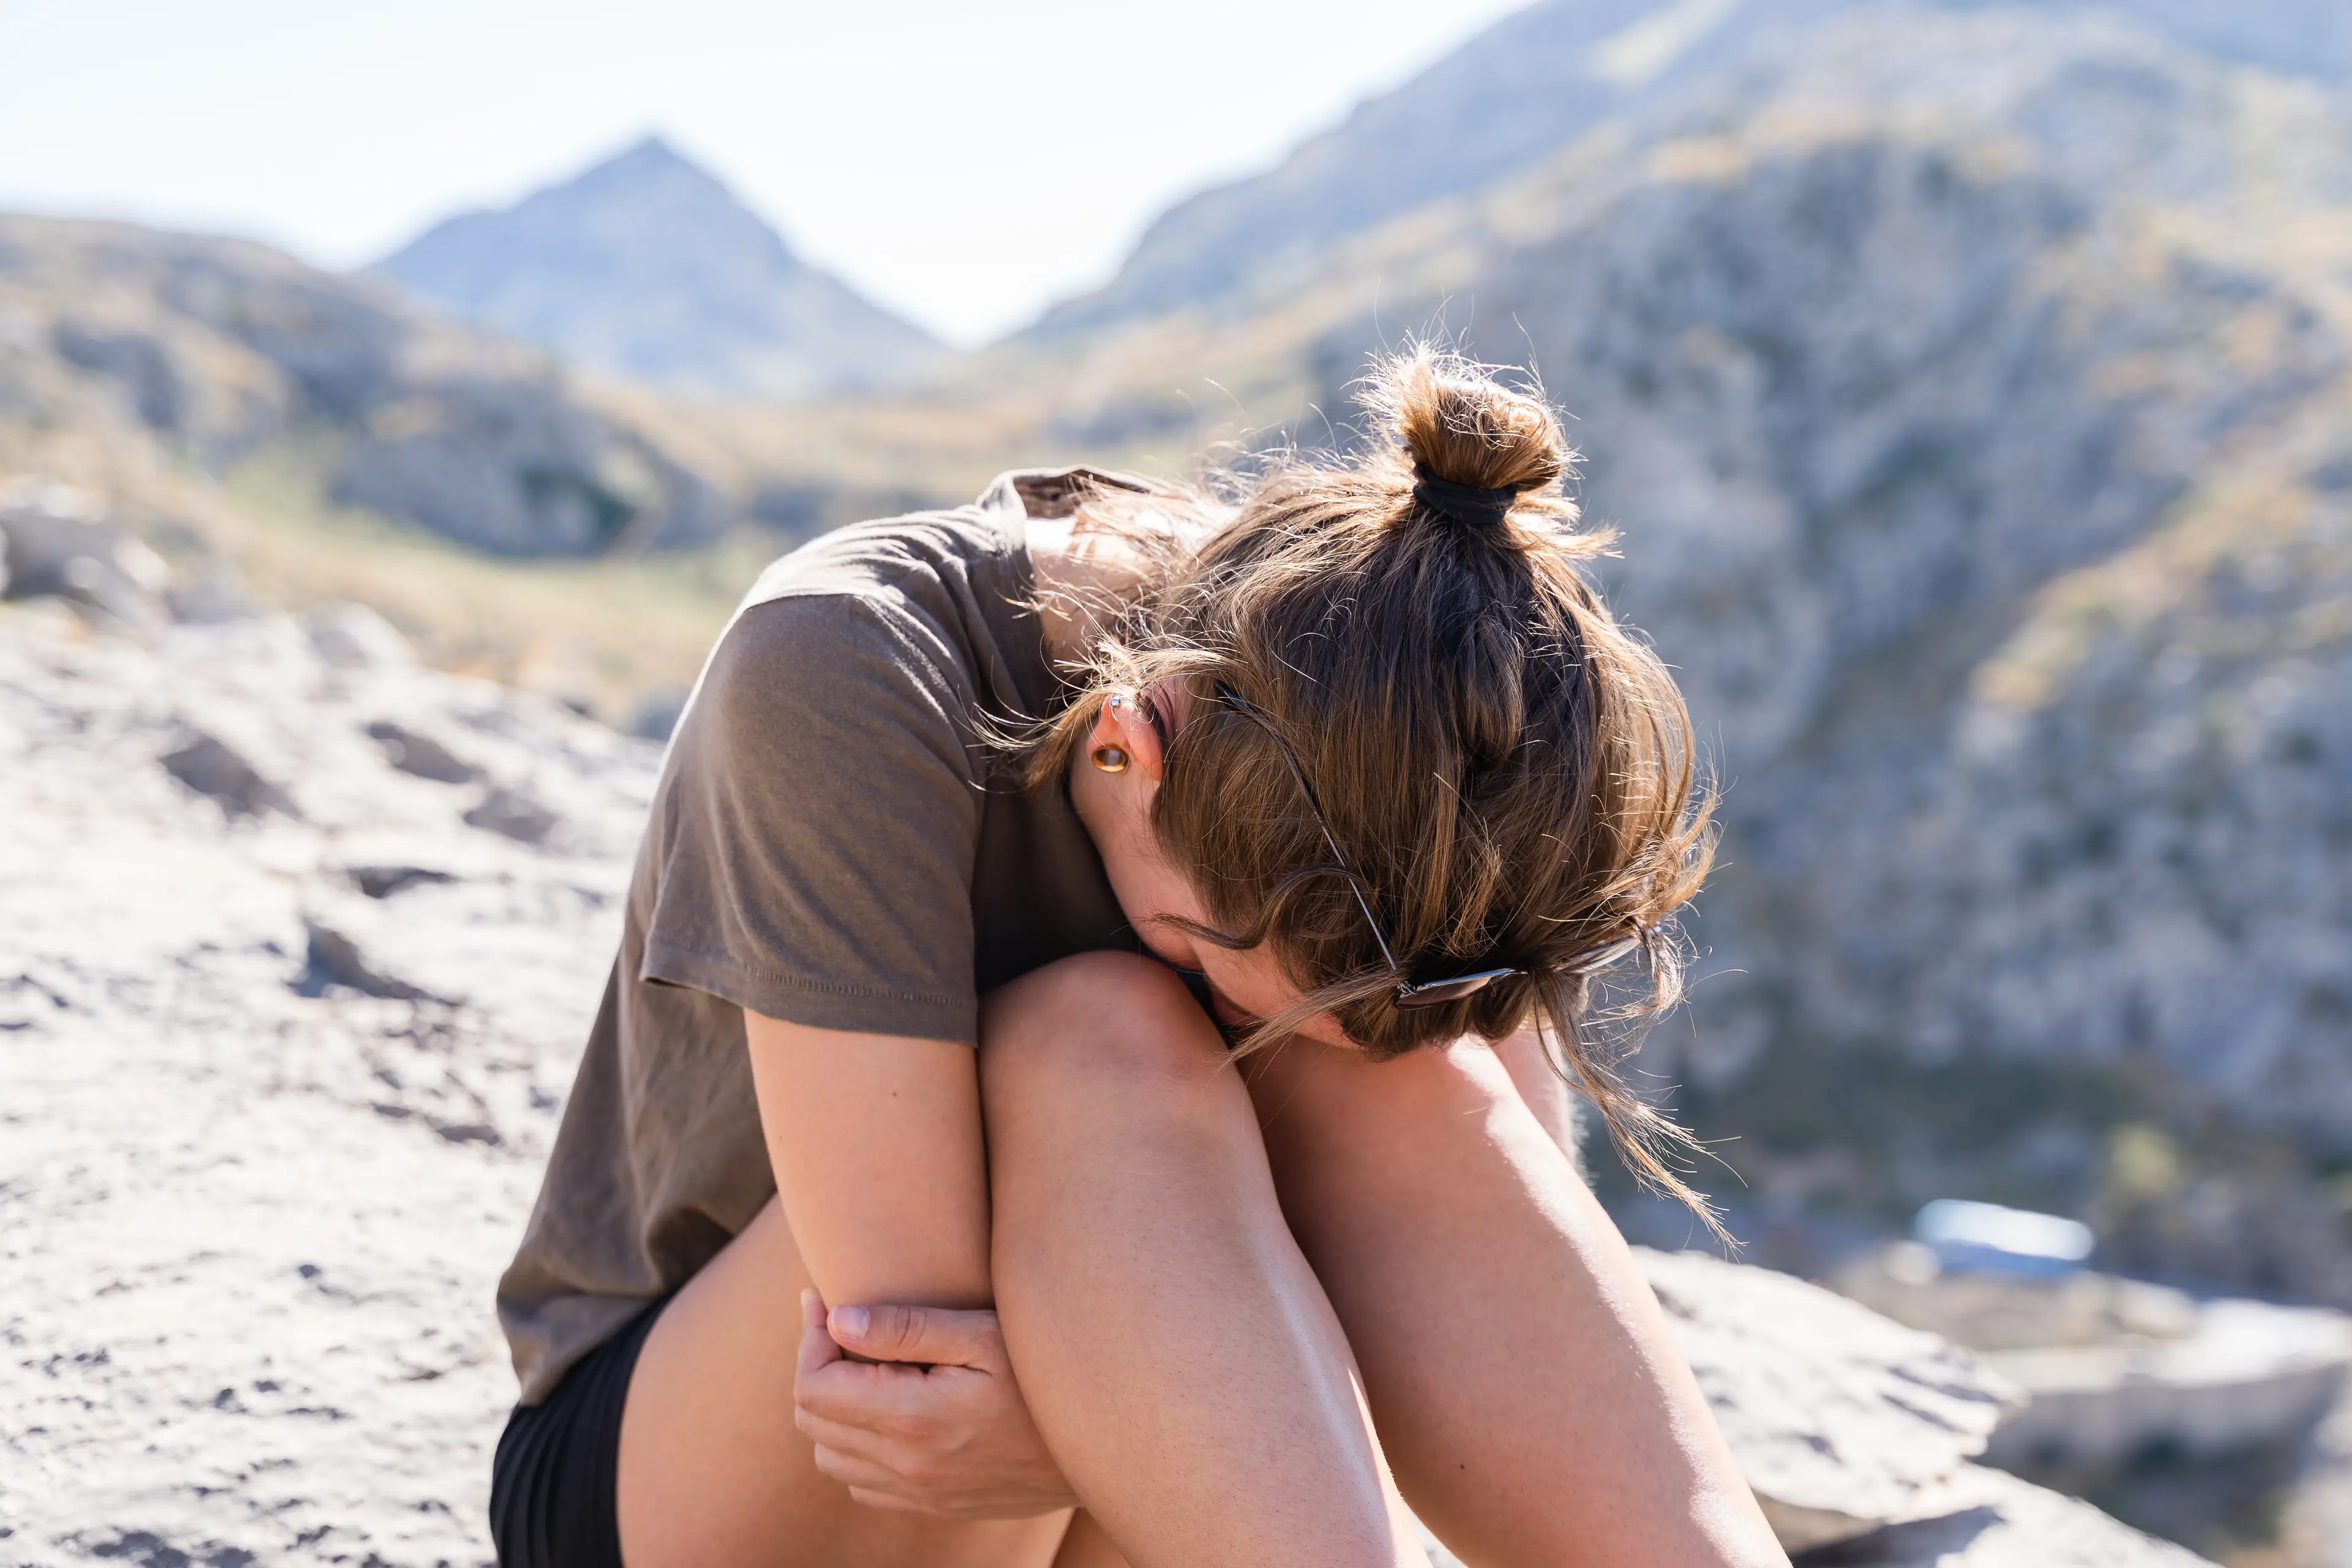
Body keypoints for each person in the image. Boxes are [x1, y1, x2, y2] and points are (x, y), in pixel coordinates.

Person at [488, 347, 1790, 1568]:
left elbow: (1488, 1271)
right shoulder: (847, 662)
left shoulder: (1391, 698)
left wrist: (1295, 1404)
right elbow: (922, 1387)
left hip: (1151, 1443)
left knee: (1386, 1060)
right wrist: (1275, 1401)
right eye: (1221, 966)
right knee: (1100, 1033)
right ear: (1124, 747)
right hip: (725, 1450)